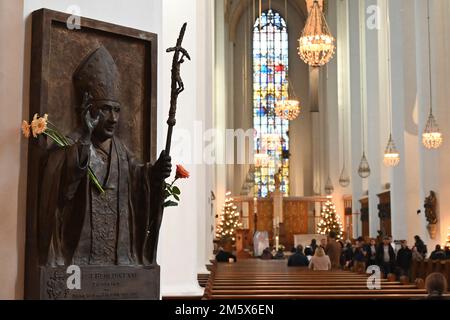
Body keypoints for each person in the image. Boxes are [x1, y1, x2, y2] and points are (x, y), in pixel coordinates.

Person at [38, 46, 172, 266]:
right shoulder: (70, 145)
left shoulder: (121, 151)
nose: (113, 118)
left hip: (120, 259)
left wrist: (154, 173)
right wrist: (83, 144)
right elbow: (61, 192)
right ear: (87, 110)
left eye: (116, 110)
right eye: (105, 109)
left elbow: (137, 177)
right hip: (79, 260)